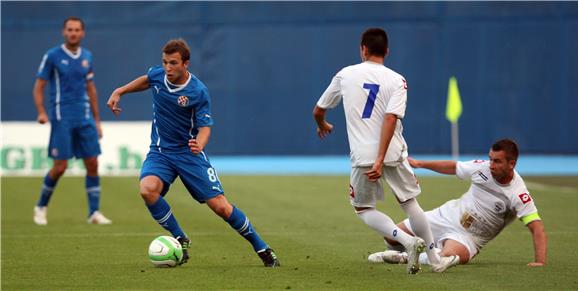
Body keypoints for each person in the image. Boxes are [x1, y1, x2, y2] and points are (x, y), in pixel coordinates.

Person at [106, 39, 279, 267]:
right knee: (147, 190)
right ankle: (180, 238)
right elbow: (147, 80)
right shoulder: (158, 75)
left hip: (189, 153)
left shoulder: (197, 91)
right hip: (160, 151)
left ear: (185, 63)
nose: (168, 68)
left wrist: (199, 143)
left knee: (221, 207)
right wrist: (120, 91)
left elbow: (205, 126)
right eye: (165, 62)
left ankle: (262, 248)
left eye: (173, 63)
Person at [312, 28, 458, 274]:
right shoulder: (398, 80)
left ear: (363, 49)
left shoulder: (346, 74)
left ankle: (406, 241)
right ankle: (435, 260)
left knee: (363, 209)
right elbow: (391, 118)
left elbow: (318, 110)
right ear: (387, 51)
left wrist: (323, 125)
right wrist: (383, 157)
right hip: (393, 151)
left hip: (364, 156)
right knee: (410, 203)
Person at [368, 139, 548, 268]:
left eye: (497, 161)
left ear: (512, 164)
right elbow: (454, 167)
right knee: (392, 235)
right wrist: (421, 164)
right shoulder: (482, 167)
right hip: (446, 216)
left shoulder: (518, 194)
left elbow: (536, 227)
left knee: (446, 257)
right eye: (490, 158)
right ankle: (402, 251)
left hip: (469, 238)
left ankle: (401, 258)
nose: (491, 164)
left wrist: (540, 261)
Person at [33, 16, 112, 225]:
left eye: (77, 30)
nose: (73, 33)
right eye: (70, 29)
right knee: (60, 167)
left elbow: (91, 88)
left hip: (85, 117)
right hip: (62, 116)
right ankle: (41, 206)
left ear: (82, 33)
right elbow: (39, 86)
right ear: (64, 32)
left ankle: (94, 212)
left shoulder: (87, 56)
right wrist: (42, 112)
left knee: (93, 163)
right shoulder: (52, 56)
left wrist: (97, 120)